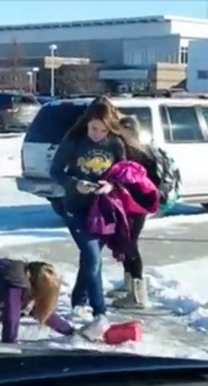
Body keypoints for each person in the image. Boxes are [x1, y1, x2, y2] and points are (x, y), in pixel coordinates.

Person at [49, 96, 143, 339]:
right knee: (92, 256)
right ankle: (100, 311)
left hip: (103, 210)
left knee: (89, 259)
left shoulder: (115, 144)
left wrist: (110, 186)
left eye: (102, 129)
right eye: (93, 128)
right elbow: (55, 171)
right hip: (75, 208)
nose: (97, 134)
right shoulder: (75, 140)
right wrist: (75, 183)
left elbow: (124, 174)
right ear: (86, 123)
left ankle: (78, 301)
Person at [105, 115, 158, 309]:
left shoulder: (137, 152)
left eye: (122, 131)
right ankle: (129, 285)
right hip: (130, 205)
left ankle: (138, 295)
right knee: (125, 243)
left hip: (136, 205)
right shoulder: (133, 149)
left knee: (130, 245)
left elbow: (145, 181)